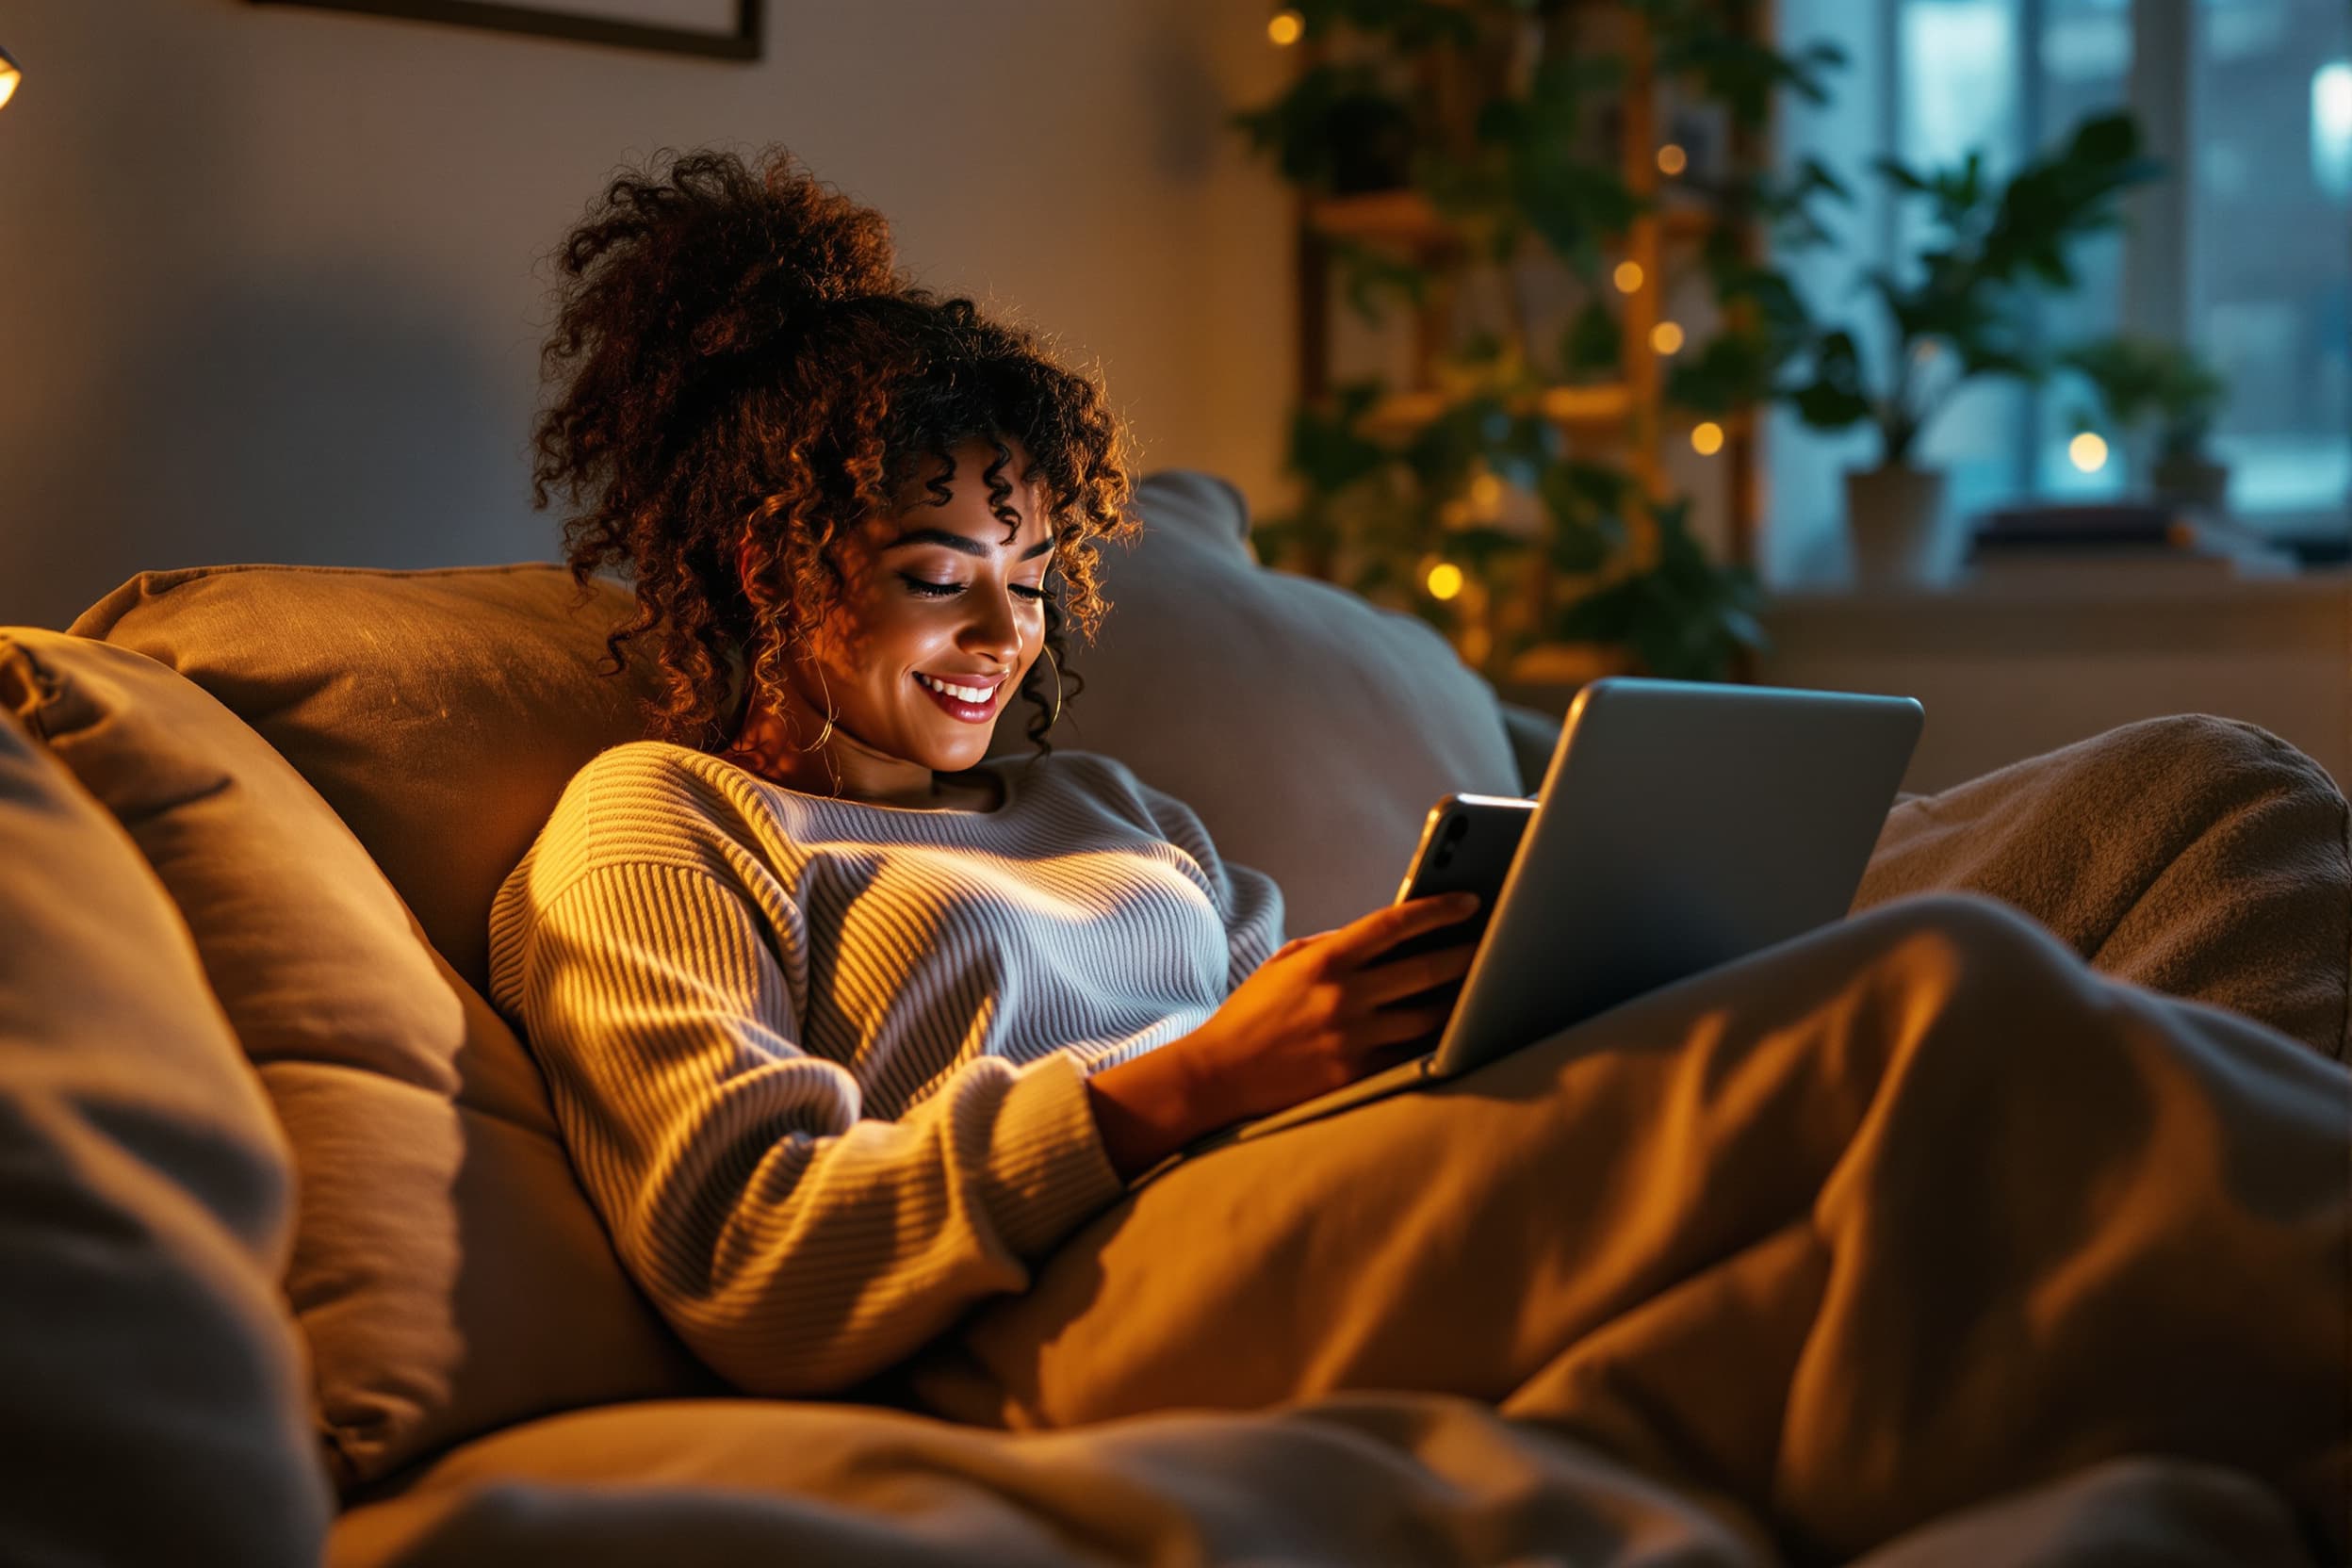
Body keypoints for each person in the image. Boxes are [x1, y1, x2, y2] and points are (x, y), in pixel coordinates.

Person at [490, 146, 2347, 1563]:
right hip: (1076, 1289)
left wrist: (1450, 968)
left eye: (1029, 584)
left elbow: (1276, 1010)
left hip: (1304, 1161)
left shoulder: (1103, 807)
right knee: (1923, 1002)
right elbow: (753, 1257)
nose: (1001, 640)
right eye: (934, 581)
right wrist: (1178, 1087)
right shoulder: (664, 827)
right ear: (766, 571)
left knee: (2193, 796)